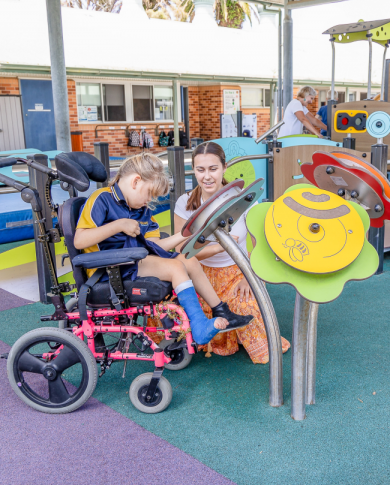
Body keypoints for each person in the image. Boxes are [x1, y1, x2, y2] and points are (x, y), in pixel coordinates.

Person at [73, 152, 253, 345]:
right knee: (175, 268)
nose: (148, 200)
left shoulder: (142, 211)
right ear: (135, 182)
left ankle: (221, 310)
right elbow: (79, 241)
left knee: (188, 259)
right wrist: (118, 225)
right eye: (149, 193)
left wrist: (186, 236)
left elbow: (154, 246)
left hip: (134, 262)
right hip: (109, 270)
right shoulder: (102, 199)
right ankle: (199, 326)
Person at [173, 142, 290, 364]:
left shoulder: (243, 199)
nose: (207, 176)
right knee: (175, 317)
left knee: (247, 311)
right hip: (201, 275)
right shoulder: (185, 203)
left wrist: (252, 276)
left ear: (224, 167)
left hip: (239, 271)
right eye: (200, 170)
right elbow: (182, 253)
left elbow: (262, 243)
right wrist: (218, 247)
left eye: (213, 169)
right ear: (194, 170)